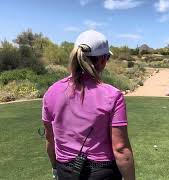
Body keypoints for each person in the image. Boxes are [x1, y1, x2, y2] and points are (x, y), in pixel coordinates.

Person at [42, 30, 135, 180]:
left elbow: (50, 140)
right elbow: (121, 149)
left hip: (65, 172)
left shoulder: (51, 92)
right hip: (103, 173)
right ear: (103, 60)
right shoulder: (113, 95)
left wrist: (55, 168)